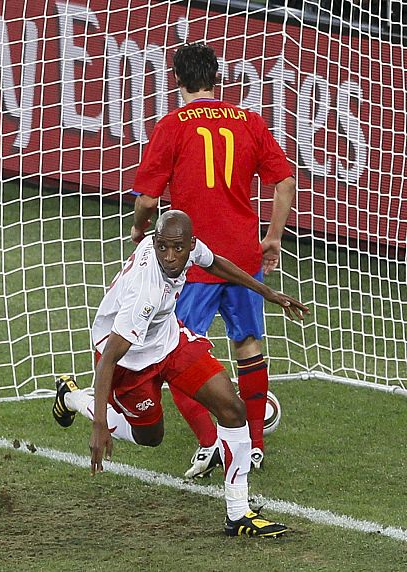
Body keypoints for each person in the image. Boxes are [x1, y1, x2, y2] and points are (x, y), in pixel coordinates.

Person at [52, 211, 307, 537]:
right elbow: (109, 361)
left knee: (232, 408)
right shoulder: (145, 294)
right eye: (163, 247)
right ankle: (72, 397)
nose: (170, 257)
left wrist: (266, 292)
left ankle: (238, 512)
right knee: (150, 437)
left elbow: (214, 263)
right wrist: (99, 423)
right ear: (155, 242)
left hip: (168, 341)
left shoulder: (186, 247)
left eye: (177, 248)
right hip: (129, 363)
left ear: (190, 244)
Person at [131, 42, 297, 477]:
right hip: (242, 256)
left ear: (176, 79)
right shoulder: (249, 121)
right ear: (218, 79)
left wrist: (138, 228)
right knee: (248, 345)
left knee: (174, 353)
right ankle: (253, 446)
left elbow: (148, 200)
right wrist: (272, 237)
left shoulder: (172, 125)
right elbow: (284, 183)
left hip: (194, 260)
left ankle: (211, 442)